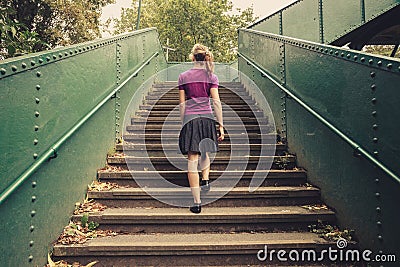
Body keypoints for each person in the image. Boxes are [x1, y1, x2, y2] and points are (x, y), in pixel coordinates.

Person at [178, 44, 224, 214]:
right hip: (207, 118)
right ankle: (205, 179)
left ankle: (197, 203)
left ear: (192, 57)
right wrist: (220, 125)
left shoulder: (183, 76)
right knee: (205, 152)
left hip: (191, 119)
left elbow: (182, 104)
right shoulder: (212, 76)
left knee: (192, 160)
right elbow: (216, 102)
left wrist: (184, 123)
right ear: (205, 57)